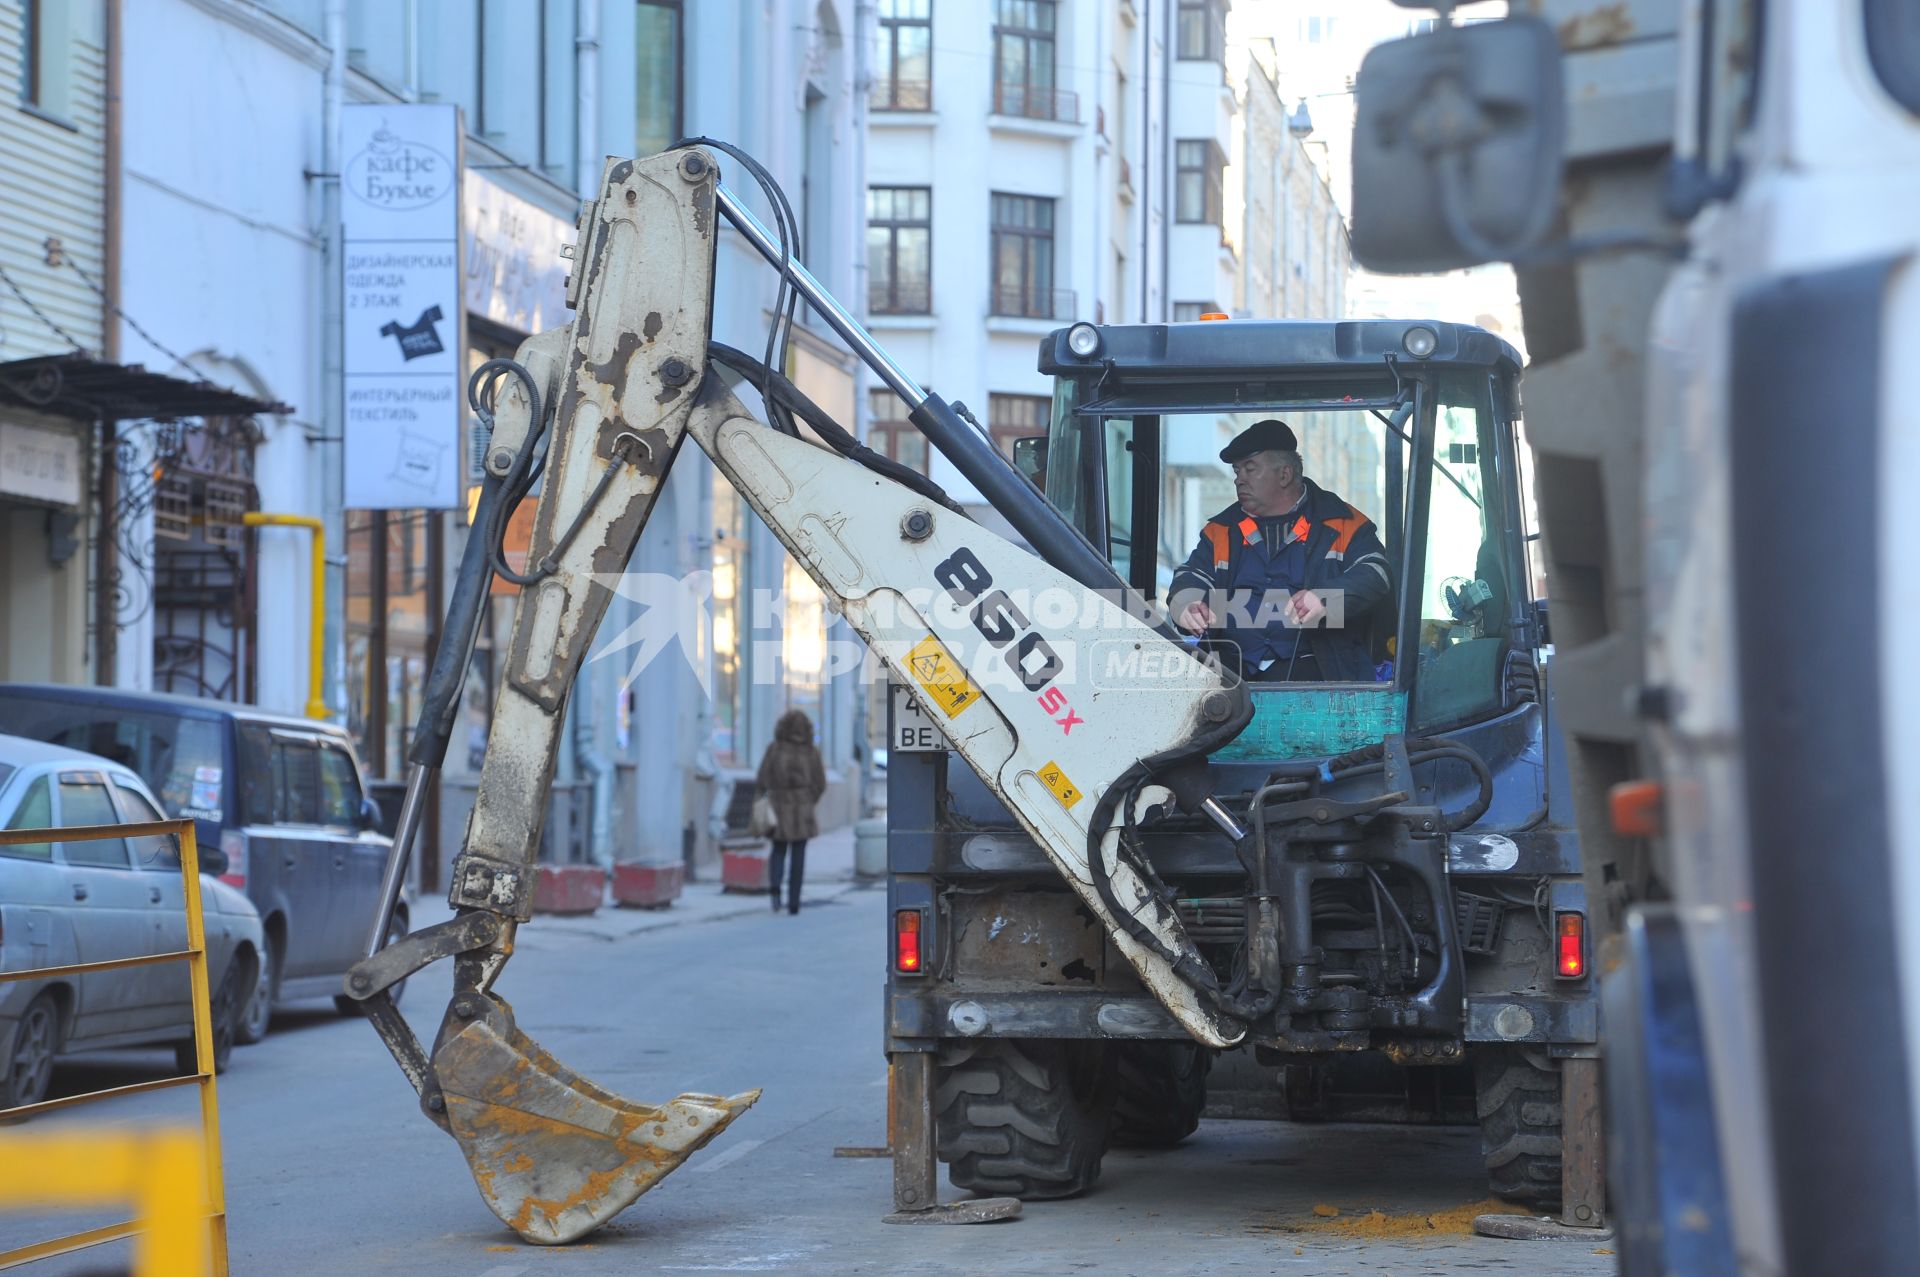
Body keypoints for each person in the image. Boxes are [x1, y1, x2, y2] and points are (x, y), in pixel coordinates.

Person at [1169, 418, 1393, 682]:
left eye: (1250, 469)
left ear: (1284, 475)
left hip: (1321, 677)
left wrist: (1325, 599)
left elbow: (1377, 573)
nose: (1239, 480)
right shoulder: (1221, 530)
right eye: (1237, 471)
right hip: (1231, 679)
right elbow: (1191, 575)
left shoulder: (1343, 523)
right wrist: (1185, 603)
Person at [756, 709, 826, 914]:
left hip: (779, 805)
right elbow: (820, 783)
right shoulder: (811, 752)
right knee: (799, 856)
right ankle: (794, 901)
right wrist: (808, 800)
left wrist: (769, 796)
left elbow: (762, 779)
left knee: (778, 851)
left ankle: (775, 892)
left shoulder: (775, 749)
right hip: (802, 809)